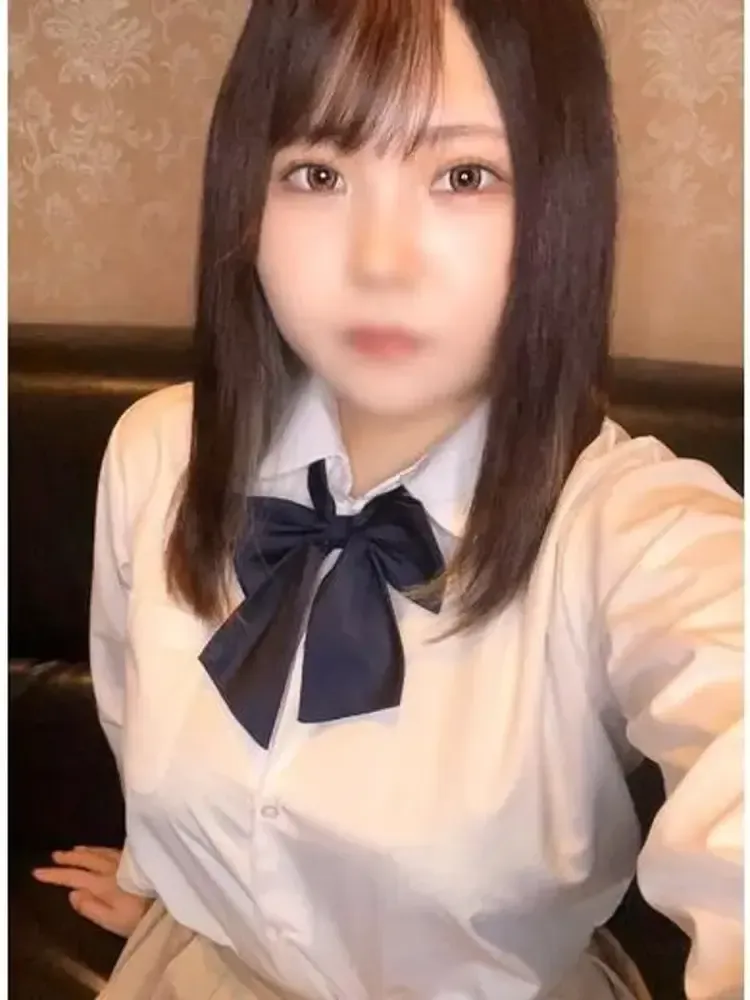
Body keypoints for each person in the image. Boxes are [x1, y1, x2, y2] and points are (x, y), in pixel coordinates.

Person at [32, 0, 743, 997]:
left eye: (465, 175)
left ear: (560, 202)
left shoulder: (634, 529)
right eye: (318, 174)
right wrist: (169, 884)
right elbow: (125, 704)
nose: (378, 261)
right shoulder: (160, 450)